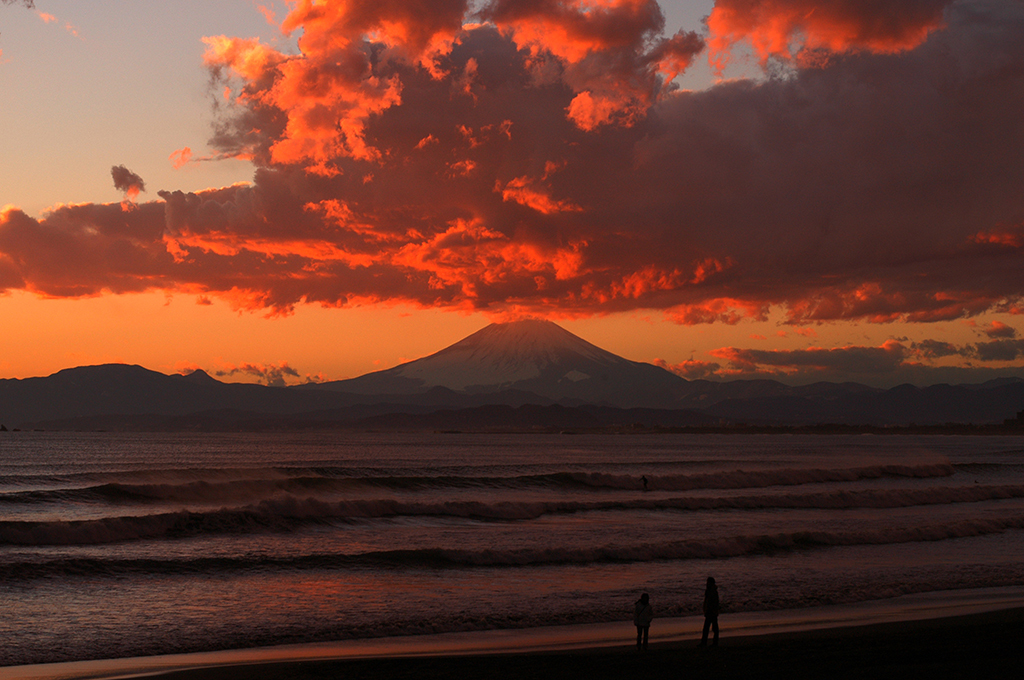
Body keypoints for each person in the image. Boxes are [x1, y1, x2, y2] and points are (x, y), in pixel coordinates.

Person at [700, 576, 720, 647]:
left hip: (711, 611)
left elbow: (714, 602)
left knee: (709, 628)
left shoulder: (712, 591)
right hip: (710, 611)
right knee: (710, 628)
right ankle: (710, 642)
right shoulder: (710, 590)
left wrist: (712, 610)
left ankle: (707, 643)